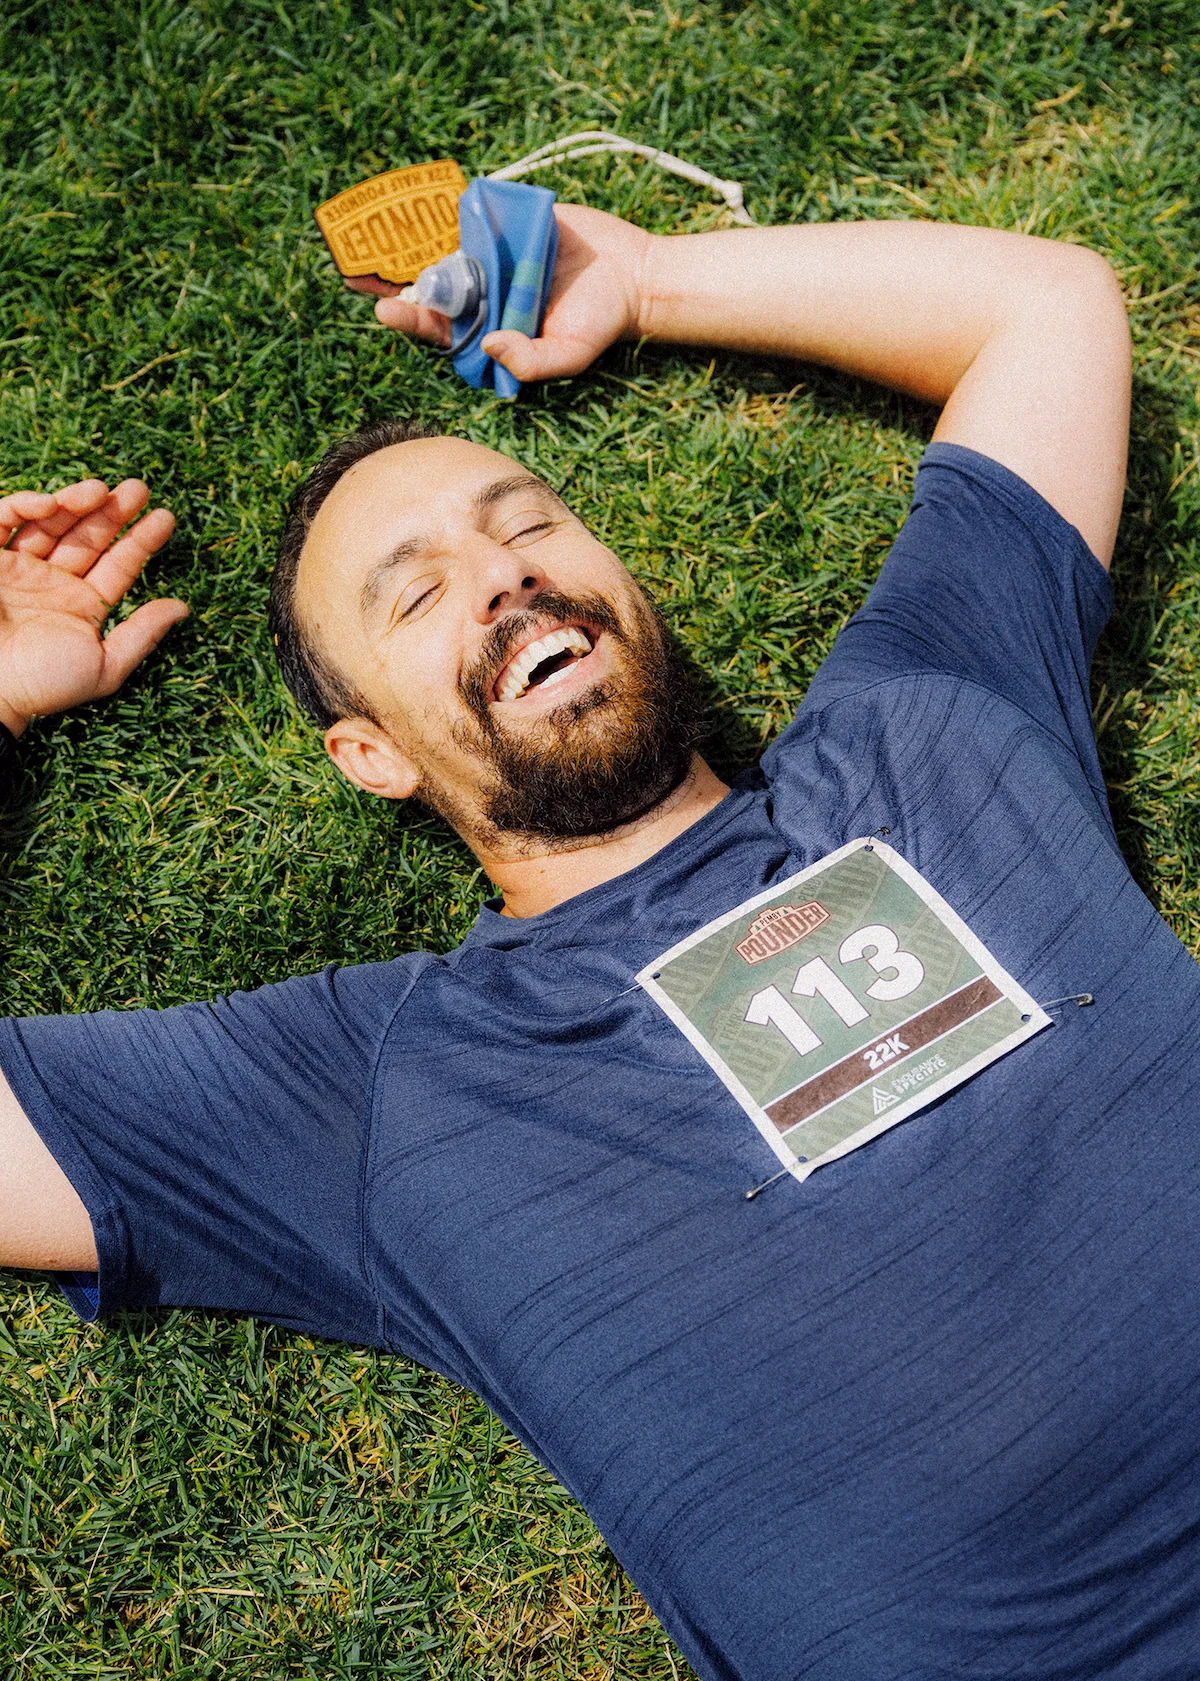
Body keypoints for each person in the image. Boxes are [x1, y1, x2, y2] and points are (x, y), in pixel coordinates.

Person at [1, 201, 1194, 1681]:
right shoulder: (378, 1088)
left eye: (528, 524)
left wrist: (648, 279)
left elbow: (1049, 310)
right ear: (374, 756)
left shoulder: (929, 724)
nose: (502, 575)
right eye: (417, 592)